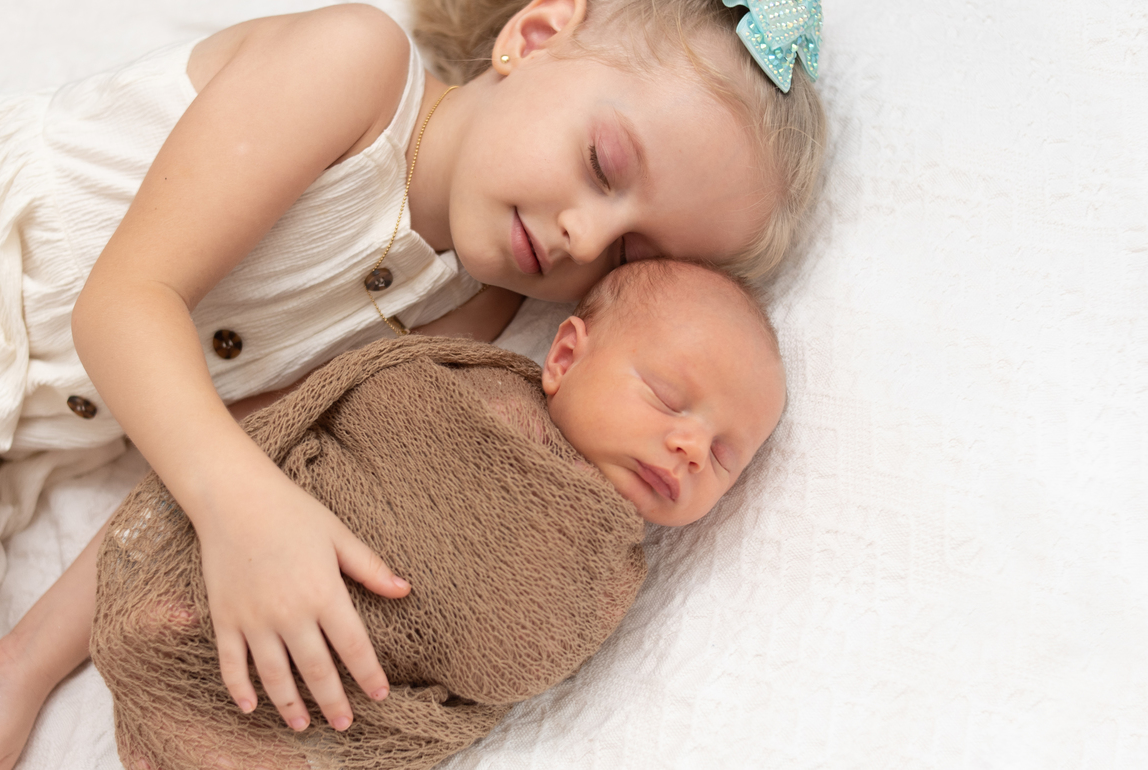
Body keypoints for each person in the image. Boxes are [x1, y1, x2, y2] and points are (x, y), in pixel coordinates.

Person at [0, 0, 824, 765]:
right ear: (535, 35)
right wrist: (248, 512)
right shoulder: (356, 68)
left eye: (633, 254)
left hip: (14, 431)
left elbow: (229, 447)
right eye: (603, 164)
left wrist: (23, 667)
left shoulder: (468, 315)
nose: (587, 238)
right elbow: (124, 304)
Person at [90, 258, 787, 770]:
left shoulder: (609, 578)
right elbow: (359, 406)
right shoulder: (465, 395)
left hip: (338, 700)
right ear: (566, 356)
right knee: (169, 625)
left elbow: (499, 675)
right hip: (243, 567)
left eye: (726, 454)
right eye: (667, 397)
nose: (692, 448)